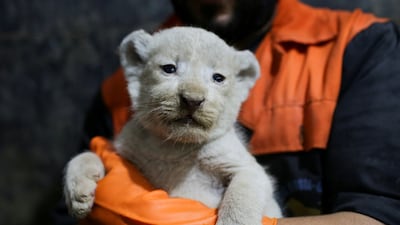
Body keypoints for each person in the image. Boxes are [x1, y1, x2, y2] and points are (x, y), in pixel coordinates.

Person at [57, 0, 400, 224]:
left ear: (240, 80)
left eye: (218, 78)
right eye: (168, 70)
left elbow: (378, 215)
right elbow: (69, 213)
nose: (192, 95)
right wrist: (87, 172)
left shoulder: (360, 46)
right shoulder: (123, 85)